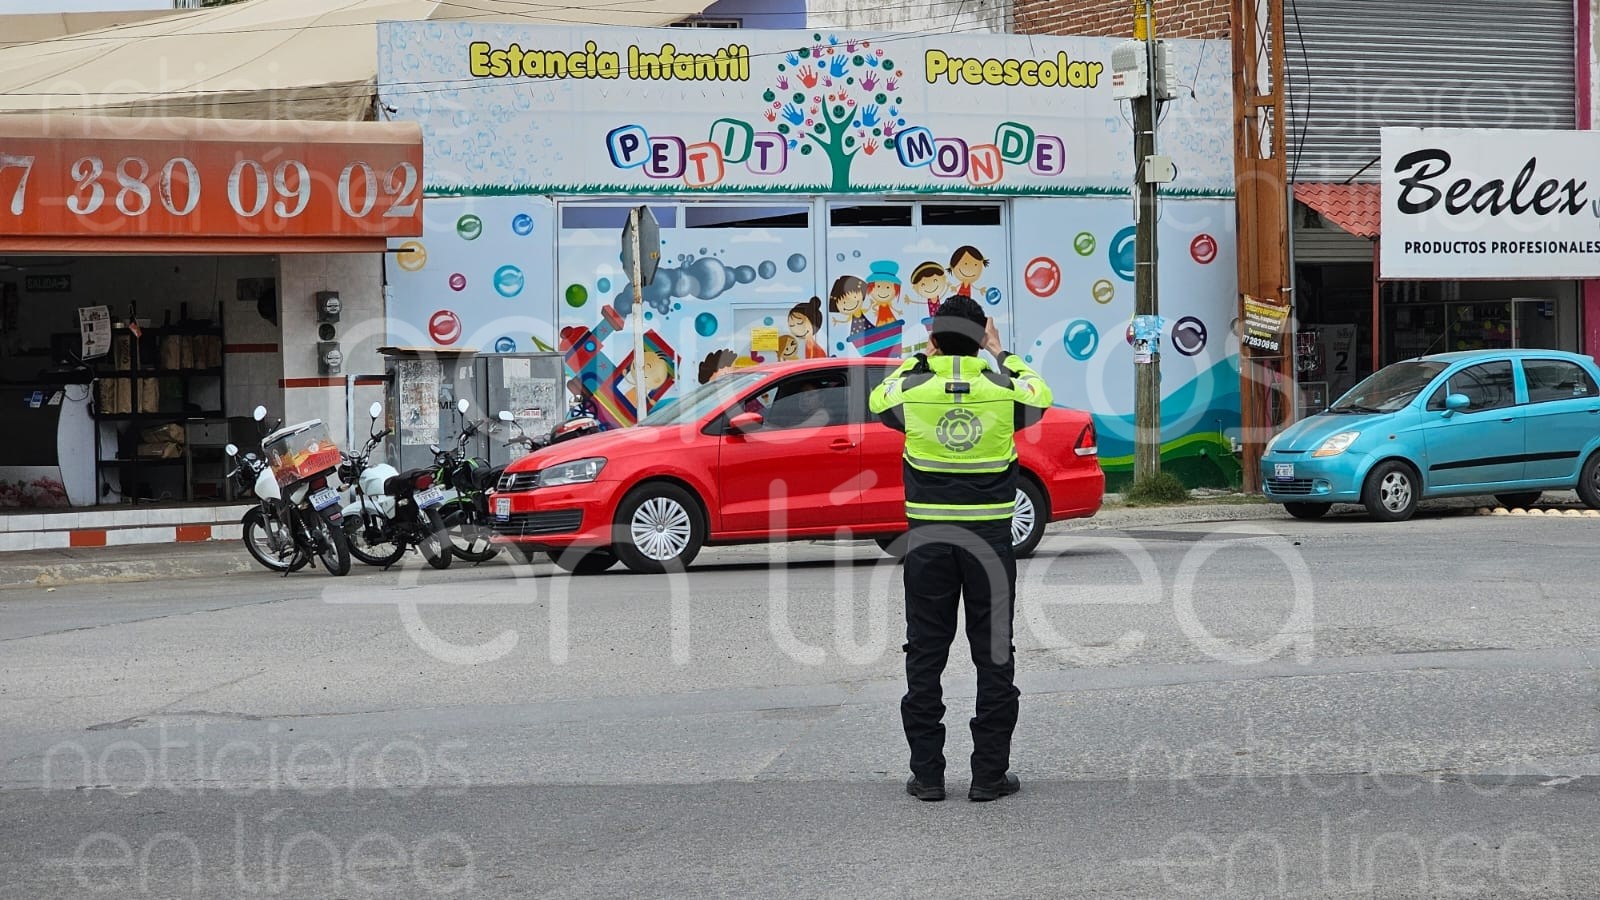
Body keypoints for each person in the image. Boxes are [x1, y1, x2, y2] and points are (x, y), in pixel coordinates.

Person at [868, 296, 1053, 803]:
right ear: (981, 338)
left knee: (925, 656)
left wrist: (920, 357)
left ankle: (927, 776)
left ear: (933, 338)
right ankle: (988, 776)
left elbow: (879, 399)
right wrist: (1001, 352)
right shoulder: (1001, 388)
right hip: (990, 544)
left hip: (929, 542)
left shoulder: (914, 387)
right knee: (994, 658)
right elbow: (1040, 393)